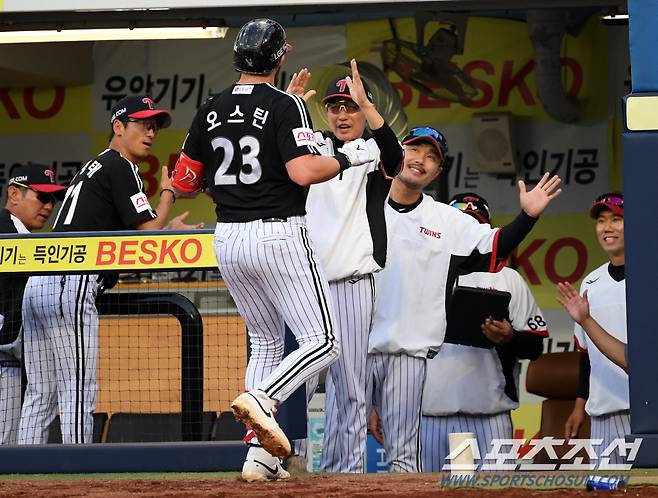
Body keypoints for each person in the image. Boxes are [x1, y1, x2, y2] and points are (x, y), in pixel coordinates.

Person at [171, 19, 375, 482]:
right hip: (277, 234)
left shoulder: (210, 107)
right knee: (323, 341)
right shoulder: (285, 104)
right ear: (281, 57)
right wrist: (349, 156)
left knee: (265, 340)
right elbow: (304, 172)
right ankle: (264, 400)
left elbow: (183, 182)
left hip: (228, 238)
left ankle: (258, 458)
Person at [365, 127, 561, 472]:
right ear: (397, 152)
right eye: (415, 150)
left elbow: (534, 345)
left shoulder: (476, 251)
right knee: (409, 481)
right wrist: (375, 403)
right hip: (424, 407)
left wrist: (528, 216)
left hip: (487, 411)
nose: (421, 160)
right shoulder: (365, 208)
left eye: (431, 157)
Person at [17, 95, 198, 445]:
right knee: (78, 387)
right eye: (142, 124)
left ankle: (25, 476)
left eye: (154, 126)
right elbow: (147, 233)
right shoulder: (120, 165)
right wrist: (168, 193)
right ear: (118, 127)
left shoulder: (97, 165)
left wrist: (166, 225)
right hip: (71, 280)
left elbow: (132, 239)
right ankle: (78, 471)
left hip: (39, 283)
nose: (150, 132)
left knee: (41, 392)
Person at [288, 61, 402, 473]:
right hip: (307, 285)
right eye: (335, 106)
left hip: (353, 282)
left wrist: (369, 106)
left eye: (349, 107)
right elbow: (276, 150)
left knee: (350, 386)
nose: (341, 114)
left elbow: (395, 154)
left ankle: (346, 476)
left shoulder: (372, 151)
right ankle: (291, 465)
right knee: (298, 385)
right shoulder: (311, 146)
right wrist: (290, 105)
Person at [418, 192, 548, 472]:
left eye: (474, 225)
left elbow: (535, 347)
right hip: (428, 414)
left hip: (490, 414)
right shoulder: (422, 272)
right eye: (460, 223)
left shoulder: (508, 278)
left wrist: (509, 337)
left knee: (497, 493)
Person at [0, 164, 66, 444]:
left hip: (10, 360)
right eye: (41, 196)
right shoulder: (4, 229)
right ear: (14, 194)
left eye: (52, 199)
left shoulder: (26, 237)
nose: (48, 206)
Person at [561, 193, 629, 463]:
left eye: (616, 219)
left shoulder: (651, 274)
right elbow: (587, 355)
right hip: (603, 415)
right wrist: (580, 406)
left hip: (646, 411)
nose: (607, 227)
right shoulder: (591, 281)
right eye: (601, 221)